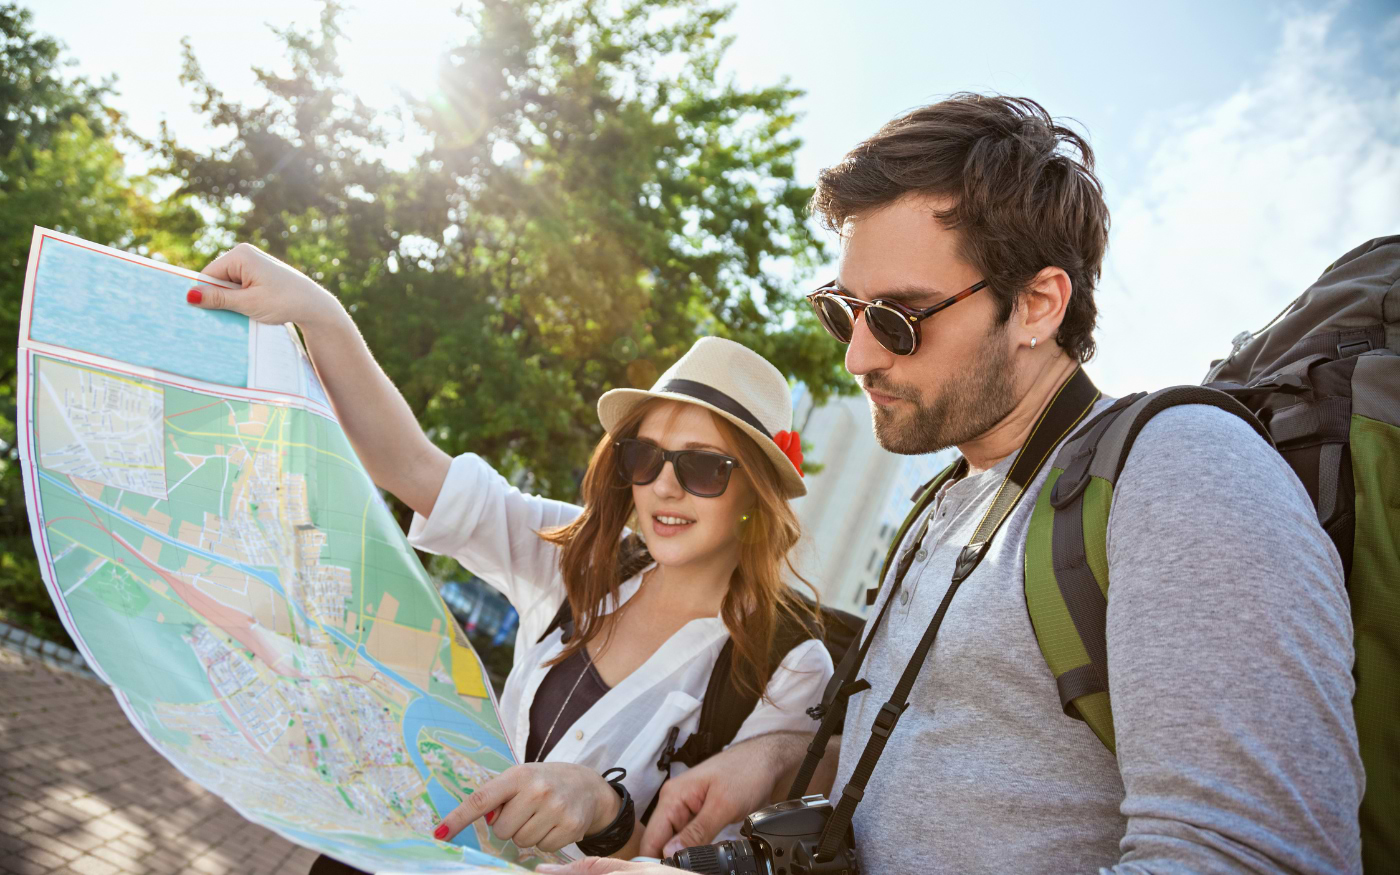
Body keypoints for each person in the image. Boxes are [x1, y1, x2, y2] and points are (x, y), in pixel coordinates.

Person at [540, 95, 1364, 874]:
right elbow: (953, 759)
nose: (858, 356)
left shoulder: (1182, 475)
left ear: (1038, 304)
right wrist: (777, 757)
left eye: (899, 318)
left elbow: (1250, 855)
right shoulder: (944, 500)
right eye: (844, 311)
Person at [186, 254, 834, 860]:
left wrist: (604, 807)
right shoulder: (576, 553)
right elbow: (410, 465)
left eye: (702, 467)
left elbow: (697, 860)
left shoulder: (789, 663)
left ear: (755, 490)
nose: (664, 483)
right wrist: (320, 312)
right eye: (645, 456)